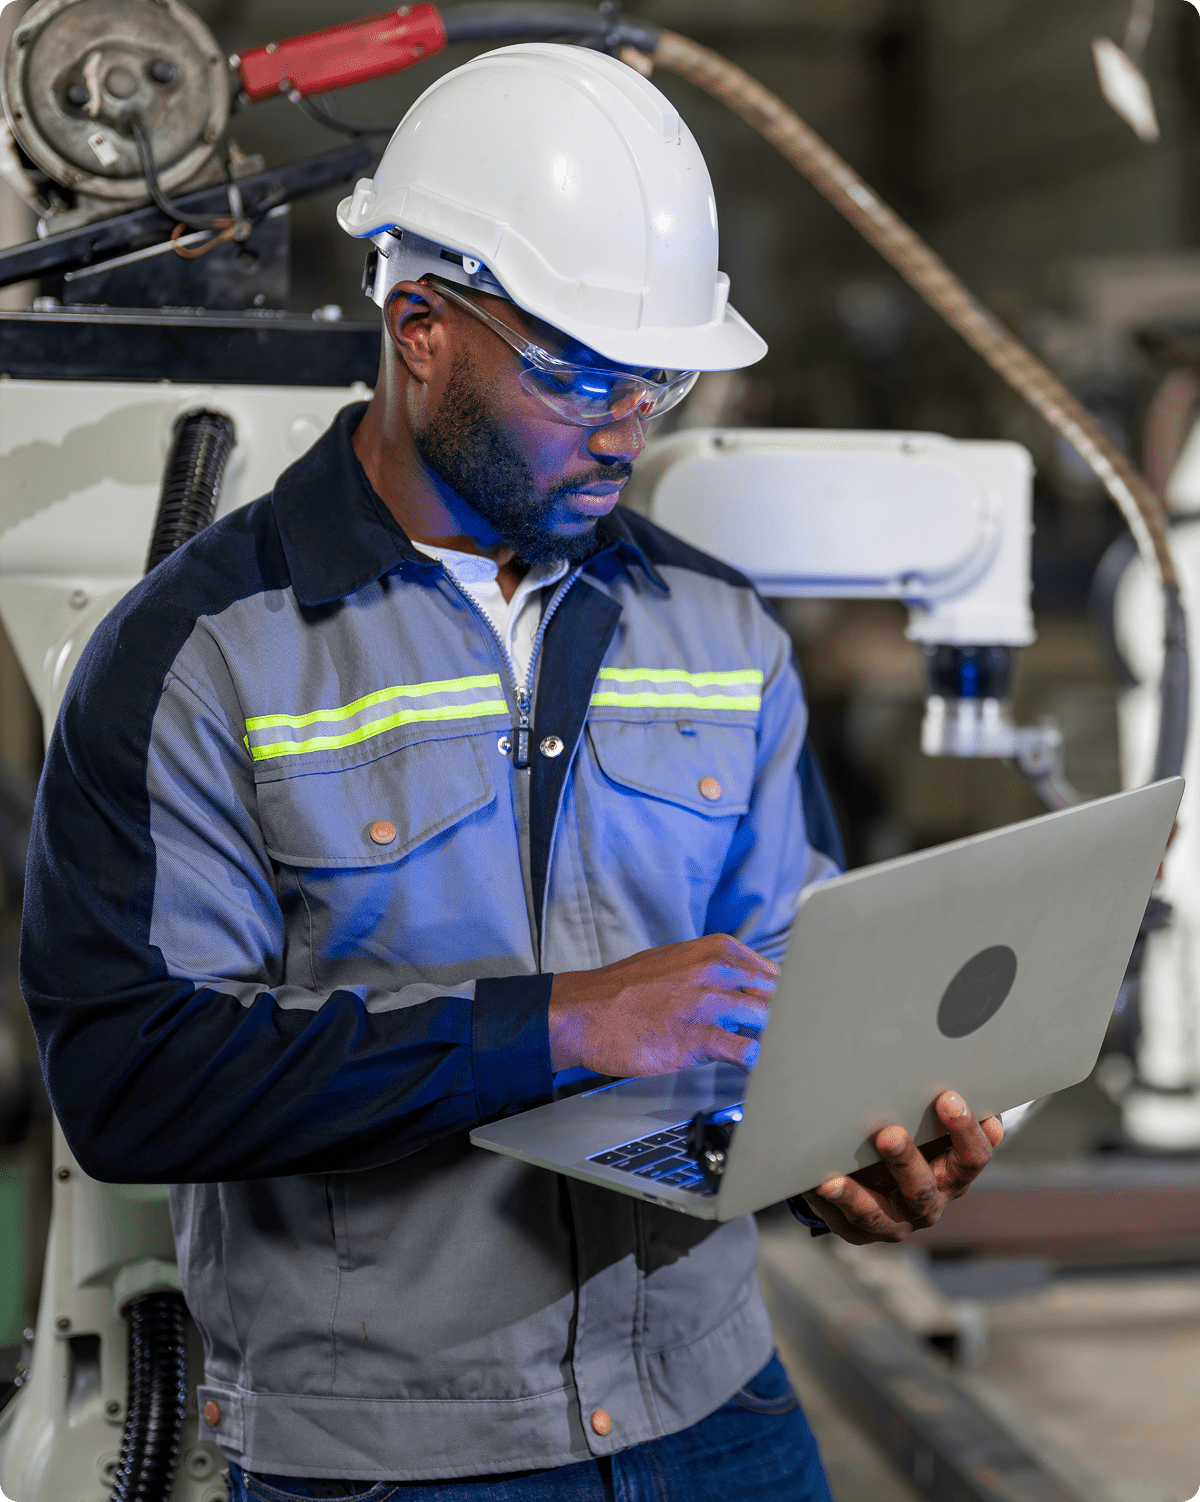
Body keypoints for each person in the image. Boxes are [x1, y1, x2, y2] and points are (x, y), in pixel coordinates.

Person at [19, 44, 1001, 1502]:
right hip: (394, 1456)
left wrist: (846, 1155)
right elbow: (131, 1082)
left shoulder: (721, 630)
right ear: (421, 324)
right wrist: (556, 1028)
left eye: (658, 375)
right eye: (581, 370)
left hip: (716, 1410)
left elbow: (781, 1000)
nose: (627, 422)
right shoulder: (201, 657)